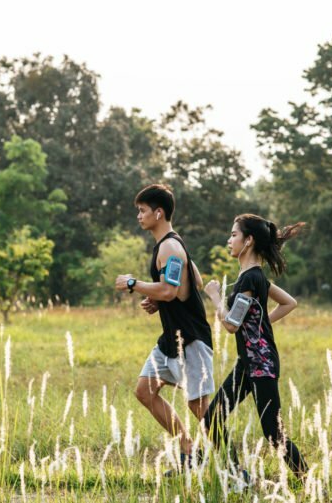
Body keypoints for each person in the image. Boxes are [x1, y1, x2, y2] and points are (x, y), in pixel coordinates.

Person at [114, 183, 214, 470]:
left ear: (159, 213)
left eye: (142, 211)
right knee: (145, 391)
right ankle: (189, 451)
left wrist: (134, 284)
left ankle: (235, 466)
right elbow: (191, 281)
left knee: (200, 408)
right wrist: (158, 300)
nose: (139, 216)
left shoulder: (170, 245)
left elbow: (171, 290)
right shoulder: (171, 243)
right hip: (170, 339)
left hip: (191, 339)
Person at [202, 213, 308, 482]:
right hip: (248, 363)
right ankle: (238, 476)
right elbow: (289, 302)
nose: (229, 240)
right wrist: (263, 325)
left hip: (260, 363)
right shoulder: (254, 277)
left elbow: (232, 325)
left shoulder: (251, 279)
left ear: (248, 241)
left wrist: (215, 297)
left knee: (273, 432)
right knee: (212, 417)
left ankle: (310, 482)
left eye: (234, 234)